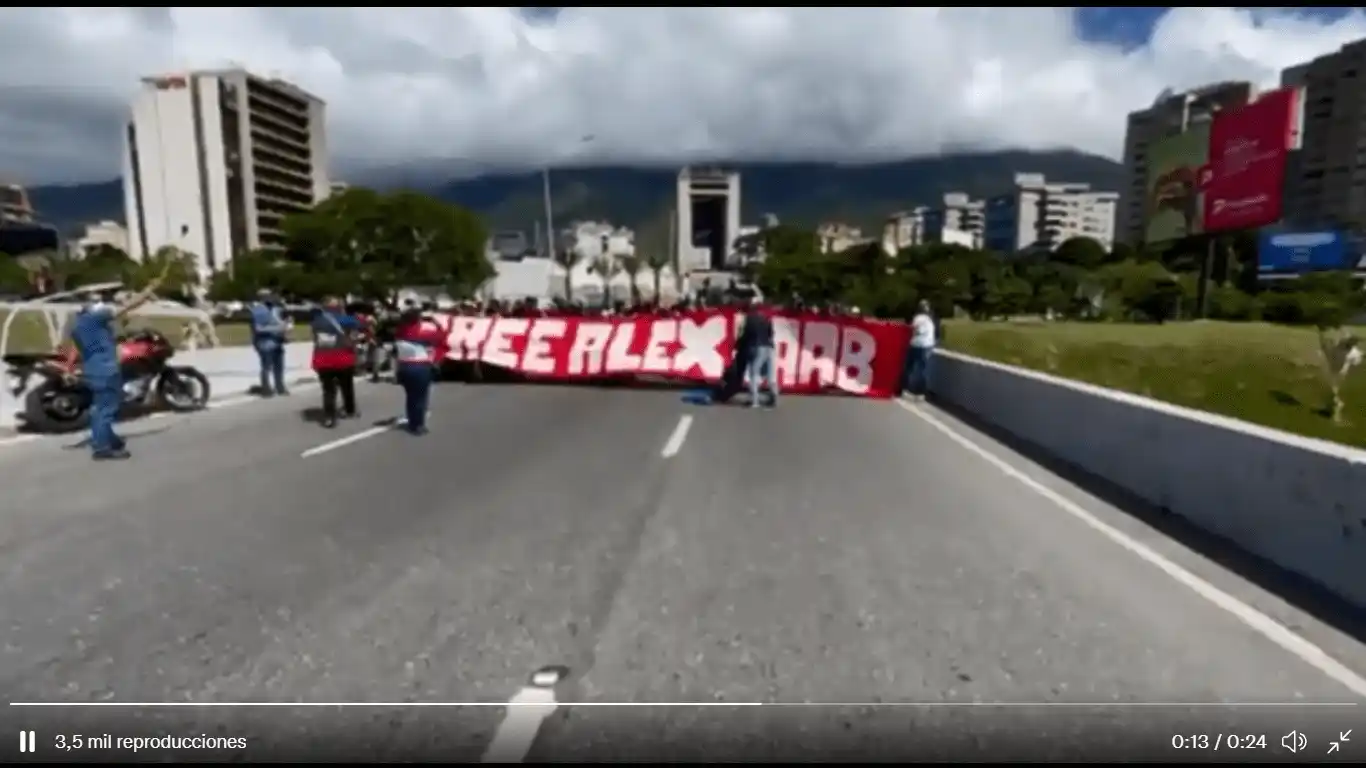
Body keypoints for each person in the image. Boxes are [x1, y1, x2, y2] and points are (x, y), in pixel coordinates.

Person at [69, 271, 169, 461]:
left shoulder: (78, 323)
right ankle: (102, 448)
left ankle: (109, 439)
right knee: (106, 410)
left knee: (100, 408)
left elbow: (75, 348)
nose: (102, 300)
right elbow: (125, 307)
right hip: (106, 369)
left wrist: (69, 367)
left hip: (92, 370)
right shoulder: (97, 317)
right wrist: (147, 292)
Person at [310, 296, 361, 428]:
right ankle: (349, 410)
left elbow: (316, 339)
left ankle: (329, 417)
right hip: (344, 358)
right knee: (347, 386)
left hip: (323, 359)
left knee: (328, 390)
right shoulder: (347, 320)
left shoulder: (317, 321)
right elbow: (356, 333)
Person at [393, 307, 445, 435]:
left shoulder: (399, 333)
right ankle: (418, 425)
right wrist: (435, 322)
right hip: (420, 367)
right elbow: (442, 336)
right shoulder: (423, 334)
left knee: (410, 396)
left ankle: (412, 422)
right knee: (420, 397)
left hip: (404, 367)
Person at [738, 297, 778, 409]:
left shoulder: (748, 319)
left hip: (756, 346)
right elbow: (771, 333)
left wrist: (739, 346)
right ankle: (773, 396)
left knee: (754, 373)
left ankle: (754, 401)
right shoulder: (766, 318)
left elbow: (745, 335)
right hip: (769, 347)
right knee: (770, 374)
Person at [248, 289, 290, 397]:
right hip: (265, 342)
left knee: (279, 366)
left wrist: (285, 329)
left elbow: (281, 322)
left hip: (277, 341)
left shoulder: (275, 308)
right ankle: (266, 389)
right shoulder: (258, 310)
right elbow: (259, 328)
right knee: (266, 366)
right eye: (269, 296)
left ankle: (280, 387)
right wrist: (278, 328)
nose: (272, 297)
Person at [905, 299, 938, 400]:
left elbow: (914, 330)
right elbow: (920, 331)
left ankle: (908, 388)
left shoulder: (918, 318)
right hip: (925, 345)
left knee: (912, 367)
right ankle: (919, 391)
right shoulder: (927, 319)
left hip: (916, 344)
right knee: (922, 369)